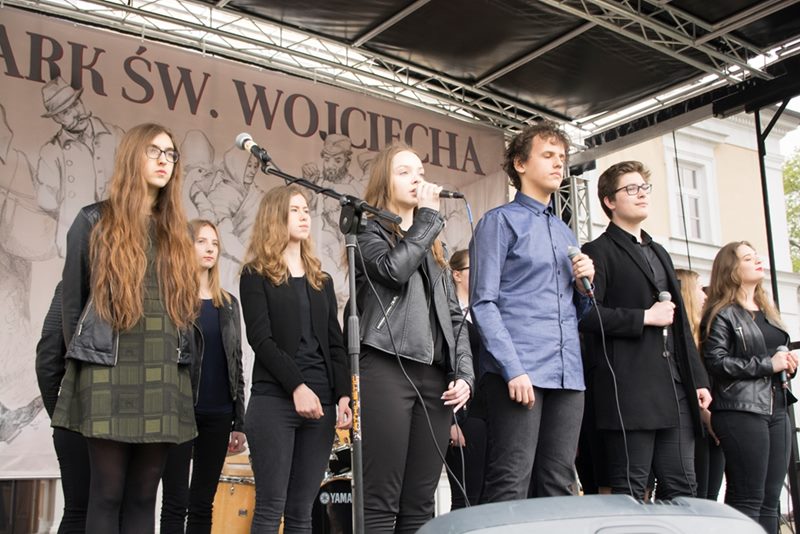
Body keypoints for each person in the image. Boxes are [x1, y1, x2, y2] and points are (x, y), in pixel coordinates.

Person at [51, 123, 200, 534]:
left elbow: (184, 312)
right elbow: (73, 306)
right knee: (106, 493)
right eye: (154, 151)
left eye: (170, 154)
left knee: (143, 497)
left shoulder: (178, 232)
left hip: (163, 373)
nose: (164, 161)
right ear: (132, 155)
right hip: (105, 371)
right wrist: (84, 366)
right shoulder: (93, 220)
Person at [470, 121, 594, 503]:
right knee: (512, 479)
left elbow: (578, 312)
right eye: (548, 155)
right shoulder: (499, 221)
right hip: (520, 369)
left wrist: (583, 289)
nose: (558, 164)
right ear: (520, 164)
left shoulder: (565, 232)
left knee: (560, 482)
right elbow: (482, 303)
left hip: (568, 373)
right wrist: (513, 368)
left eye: (562, 157)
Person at [355, 143, 473, 532]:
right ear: (383, 180)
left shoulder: (434, 243)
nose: (417, 179)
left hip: (434, 379)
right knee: (379, 501)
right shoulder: (367, 231)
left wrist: (465, 374)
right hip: (386, 367)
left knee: (421, 503)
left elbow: (454, 317)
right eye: (404, 171)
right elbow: (393, 270)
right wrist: (427, 219)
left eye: (419, 172)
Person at [579, 161, 711, 500]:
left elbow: (680, 324)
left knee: (684, 487)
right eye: (631, 189)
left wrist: (697, 379)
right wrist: (644, 318)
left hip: (674, 386)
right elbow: (588, 316)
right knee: (631, 489)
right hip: (630, 389)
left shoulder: (659, 251)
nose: (641, 194)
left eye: (644, 188)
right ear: (609, 200)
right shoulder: (597, 251)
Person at [239, 184, 352, 533]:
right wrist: (297, 387)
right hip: (274, 400)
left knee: (302, 510)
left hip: (322, 406)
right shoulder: (255, 274)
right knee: (270, 507)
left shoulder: (322, 280)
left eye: (306, 210)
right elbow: (261, 340)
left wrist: (343, 395)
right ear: (275, 217)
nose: (305, 217)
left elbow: (335, 343)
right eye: (295, 210)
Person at [701, 241, 797, 532]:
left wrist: (787, 363)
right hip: (741, 409)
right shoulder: (722, 313)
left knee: (770, 500)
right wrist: (769, 364)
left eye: (756, 256)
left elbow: (771, 355)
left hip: (777, 406)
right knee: (748, 497)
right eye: (747, 258)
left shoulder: (767, 310)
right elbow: (716, 362)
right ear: (731, 269)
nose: (757, 261)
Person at [160, 219, 246, 533]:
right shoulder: (171, 300)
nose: (210, 249)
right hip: (179, 413)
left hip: (219, 415)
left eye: (215, 243)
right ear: (186, 247)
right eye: (201, 241)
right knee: (174, 502)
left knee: (202, 503)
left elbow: (236, 363)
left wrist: (239, 422)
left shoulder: (229, 304)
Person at [34, 76, 124, 256]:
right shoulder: (51, 151)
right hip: (76, 245)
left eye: (75, 104)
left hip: (117, 241)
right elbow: (47, 201)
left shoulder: (115, 136)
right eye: (66, 112)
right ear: (57, 119)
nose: (76, 113)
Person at [35, 282, 89, 533]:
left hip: (75, 414)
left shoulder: (73, 286)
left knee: (78, 511)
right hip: (115, 419)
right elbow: (48, 358)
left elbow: (48, 356)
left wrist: (60, 413)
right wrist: (59, 413)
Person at [444, 249, 487, 509]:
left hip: (488, 412)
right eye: (474, 267)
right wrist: (451, 422)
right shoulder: (448, 316)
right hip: (463, 415)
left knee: (487, 496)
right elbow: (444, 368)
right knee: (465, 496)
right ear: (457, 275)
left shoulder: (485, 311)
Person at [676, 268, 724, 501]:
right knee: (696, 494)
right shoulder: (679, 342)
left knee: (711, 494)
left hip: (712, 424)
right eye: (698, 288)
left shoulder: (706, 337)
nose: (705, 295)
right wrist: (705, 415)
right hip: (692, 425)